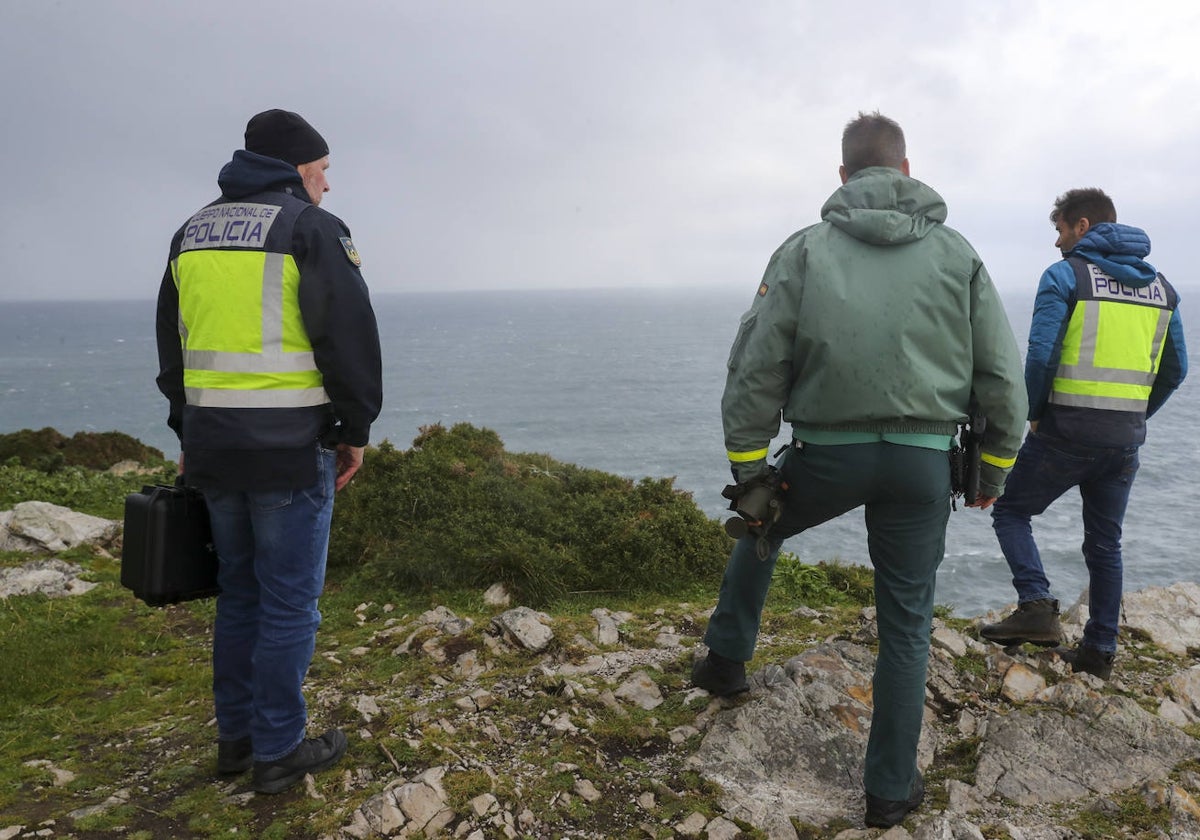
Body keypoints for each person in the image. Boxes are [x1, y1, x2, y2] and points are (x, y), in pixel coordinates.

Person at [692, 111, 1027, 829]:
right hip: (922, 463)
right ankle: (887, 793)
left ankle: (724, 660)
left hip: (826, 456)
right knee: (905, 627)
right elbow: (1002, 377)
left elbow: (755, 366)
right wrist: (991, 473)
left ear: (843, 178)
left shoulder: (805, 250)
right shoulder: (957, 253)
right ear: (907, 172)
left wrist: (752, 469)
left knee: (763, 524)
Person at [155, 109, 383, 794]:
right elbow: (347, 341)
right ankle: (279, 751)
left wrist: (186, 435)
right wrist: (355, 431)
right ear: (295, 168)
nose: (328, 185)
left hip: (215, 449)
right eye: (323, 170)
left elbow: (174, 352)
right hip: (288, 450)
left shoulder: (190, 232)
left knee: (241, 595)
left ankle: (238, 740)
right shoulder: (310, 229)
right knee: (289, 604)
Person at [981, 188, 1186, 679]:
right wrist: (1134, 414)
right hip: (1122, 442)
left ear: (1083, 226)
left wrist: (1030, 414)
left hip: (1064, 432)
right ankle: (1099, 653)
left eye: (1060, 230)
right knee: (1105, 544)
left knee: (1010, 510)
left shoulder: (1064, 276)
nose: (1057, 242)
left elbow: (1040, 356)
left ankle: (1035, 605)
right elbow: (1176, 370)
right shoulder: (1163, 289)